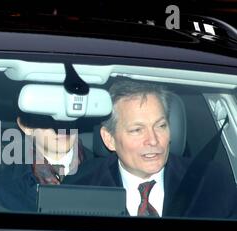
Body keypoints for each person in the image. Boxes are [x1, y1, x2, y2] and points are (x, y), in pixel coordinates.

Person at [65, 80, 237, 219]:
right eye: (137, 130)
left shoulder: (213, 182)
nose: (153, 140)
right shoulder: (80, 188)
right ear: (109, 139)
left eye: (161, 126)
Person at [0, 112, 90, 212]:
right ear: (26, 126)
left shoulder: (104, 171)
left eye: (67, 113)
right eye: (48, 114)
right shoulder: (4, 190)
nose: (61, 124)